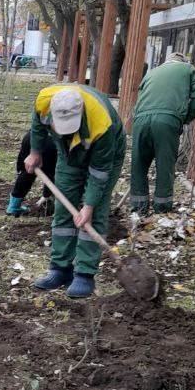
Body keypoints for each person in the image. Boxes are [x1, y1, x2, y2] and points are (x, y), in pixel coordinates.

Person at [25, 84, 126, 299]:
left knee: (94, 213)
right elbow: (37, 126)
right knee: (64, 207)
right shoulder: (44, 101)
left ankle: (85, 273)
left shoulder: (102, 124)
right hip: (67, 153)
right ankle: (60, 269)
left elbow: (99, 173)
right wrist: (35, 151)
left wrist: (88, 205)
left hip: (105, 154)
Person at [130, 52, 195, 215]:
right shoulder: (188, 69)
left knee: (138, 166)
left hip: (140, 120)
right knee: (164, 167)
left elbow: (139, 98)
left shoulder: (151, 73)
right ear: (183, 61)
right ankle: (162, 210)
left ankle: (138, 209)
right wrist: (185, 118)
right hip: (167, 120)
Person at [7, 133, 58, 217]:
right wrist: (46, 195)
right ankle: (47, 199)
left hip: (30, 137)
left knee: (27, 170)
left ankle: (13, 207)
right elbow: (51, 173)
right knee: (51, 171)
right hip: (50, 142)